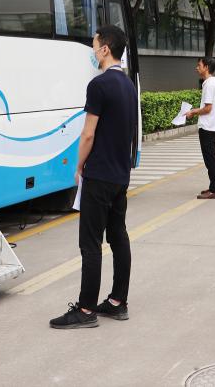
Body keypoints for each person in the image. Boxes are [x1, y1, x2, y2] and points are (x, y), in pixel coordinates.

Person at [50, 25, 136, 329]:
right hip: (120, 175)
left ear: (105, 49)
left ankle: (86, 310)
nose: (92, 50)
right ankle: (117, 302)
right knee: (118, 236)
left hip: (99, 175)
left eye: (94, 45)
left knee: (90, 243)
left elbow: (88, 134)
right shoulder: (128, 85)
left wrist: (78, 165)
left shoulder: (99, 85)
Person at [187, 57, 215, 199]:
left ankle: (214, 190)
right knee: (212, 157)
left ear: (206, 67)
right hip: (211, 125)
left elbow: (208, 108)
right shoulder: (214, 83)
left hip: (208, 126)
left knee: (210, 159)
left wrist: (193, 112)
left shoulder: (209, 84)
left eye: (199, 65)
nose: (197, 68)